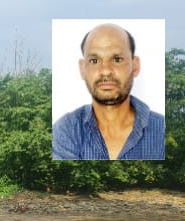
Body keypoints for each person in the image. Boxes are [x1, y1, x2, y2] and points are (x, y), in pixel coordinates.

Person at [52, 23, 165, 160]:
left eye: (117, 59)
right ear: (82, 69)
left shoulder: (163, 130)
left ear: (135, 66)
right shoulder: (66, 129)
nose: (105, 70)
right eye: (94, 60)